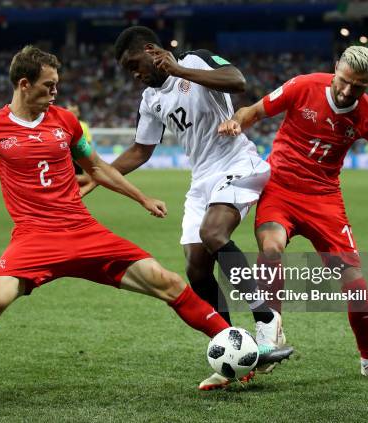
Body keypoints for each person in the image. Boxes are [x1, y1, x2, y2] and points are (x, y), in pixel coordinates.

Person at [0, 46, 244, 416]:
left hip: (84, 231)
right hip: (33, 239)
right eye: (48, 85)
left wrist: (142, 198)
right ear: (23, 84)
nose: (55, 91)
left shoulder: (64, 121)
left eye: (57, 84)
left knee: (168, 282)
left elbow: (97, 167)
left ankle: (235, 347)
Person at [78, 26, 292, 390]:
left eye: (135, 63)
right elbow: (141, 150)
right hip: (201, 180)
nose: (135, 73)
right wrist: (100, 176)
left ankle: (267, 319)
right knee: (196, 268)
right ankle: (234, 348)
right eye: (128, 70)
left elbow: (237, 81)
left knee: (213, 234)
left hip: (237, 163)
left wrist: (178, 70)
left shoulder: (197, 60)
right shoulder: (150, 99)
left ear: (151, 49)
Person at [218, 46, 368, 381]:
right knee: (272, 247)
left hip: (324, 200)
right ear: (336, 68)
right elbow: (256, 111)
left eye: (359, 86)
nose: (348, 91)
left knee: (356, 283)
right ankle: (268, 336)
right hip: (280, 188)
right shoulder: (302, 86)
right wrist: (235, 121)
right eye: (344, 81)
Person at [67, 102, 93, 174]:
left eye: (75, 112)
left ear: (78, 113)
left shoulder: (83, 125)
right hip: (65, 159)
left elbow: (88, 143)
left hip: (78, 159)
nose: (73, 114)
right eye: (70, 112)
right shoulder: (60, 125)